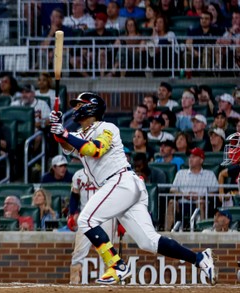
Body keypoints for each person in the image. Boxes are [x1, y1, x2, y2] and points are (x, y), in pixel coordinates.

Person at [49, 92, 216, 285]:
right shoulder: (79, 134)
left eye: (80, 105)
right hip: (122, 188)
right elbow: (65, 142)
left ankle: (117, 265)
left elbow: (94, 149)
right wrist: (56, 127)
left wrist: (64, 133)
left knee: (86, 219)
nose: (76, 109)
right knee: (149, 242)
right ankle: (200, 259)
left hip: (120, 182)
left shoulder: (107, 127)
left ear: (91, 107)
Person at [68, 168, 115, 284]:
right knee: (78, 252)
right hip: (86, 217)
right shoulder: (78, 175)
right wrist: (72, 213)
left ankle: (108, 283)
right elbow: (74, 196)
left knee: (107, 251)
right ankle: (74, 282)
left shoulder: (110, 172)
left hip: (107, 216)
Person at [167, 148, 218, 230]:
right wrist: (184, 195)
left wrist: (200, 196)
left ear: (201, 160)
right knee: (171, 203)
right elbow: (172, 191)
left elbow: (214, 193)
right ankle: (166, 233)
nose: (190, 159)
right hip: (182, 203)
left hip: (201, 203)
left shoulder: (209, 174)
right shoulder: (181, 173)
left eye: (194, 157)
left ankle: (202, 231)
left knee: (200, 203)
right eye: (190, 157)